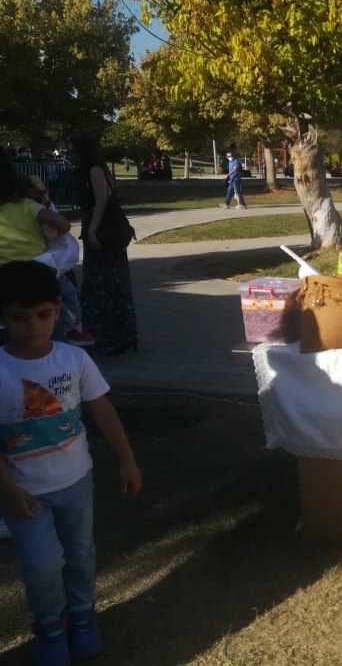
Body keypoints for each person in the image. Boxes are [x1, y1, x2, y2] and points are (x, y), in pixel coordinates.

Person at [0, 260, 142, 664]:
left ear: (59, 312)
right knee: (43, 565)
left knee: (80, 553)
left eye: (44, 315)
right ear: (2, 316)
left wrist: (127, 460)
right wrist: (8, 491)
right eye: (19, 317)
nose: (33, 326)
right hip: (23, 493)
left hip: (76, 482)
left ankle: (81, 616)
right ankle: (49, 625)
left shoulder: (74, 360)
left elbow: (104, 412)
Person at [0, 153, 91, 348]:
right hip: (39, 272)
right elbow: (63, 223)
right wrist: (56, 234)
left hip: (6, 277)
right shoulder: (27, 207)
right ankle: (77, 328)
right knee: (68, 292)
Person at [67, 133, 139, 356]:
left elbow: (102, 203)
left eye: (73, 150)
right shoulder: (86, 171)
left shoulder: (96, 170)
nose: (69, 155)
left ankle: (112, 336)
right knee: (100, 286)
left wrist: (91, 230)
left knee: (105, 286)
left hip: (104, 232)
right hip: (98, 229)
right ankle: (110, 336)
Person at [219, 145, 247, 209]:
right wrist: (230, 178)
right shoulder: (229, 162)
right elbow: (230, 169)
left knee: (238, 192)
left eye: (230, 156)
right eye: (228, 156)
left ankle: (243, 204)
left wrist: (227, 175)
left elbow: (235, 169)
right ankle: (226, 204)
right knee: (229, 191)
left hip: (236, 179)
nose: (230, 157)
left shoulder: (235, 161)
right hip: (232, 179)